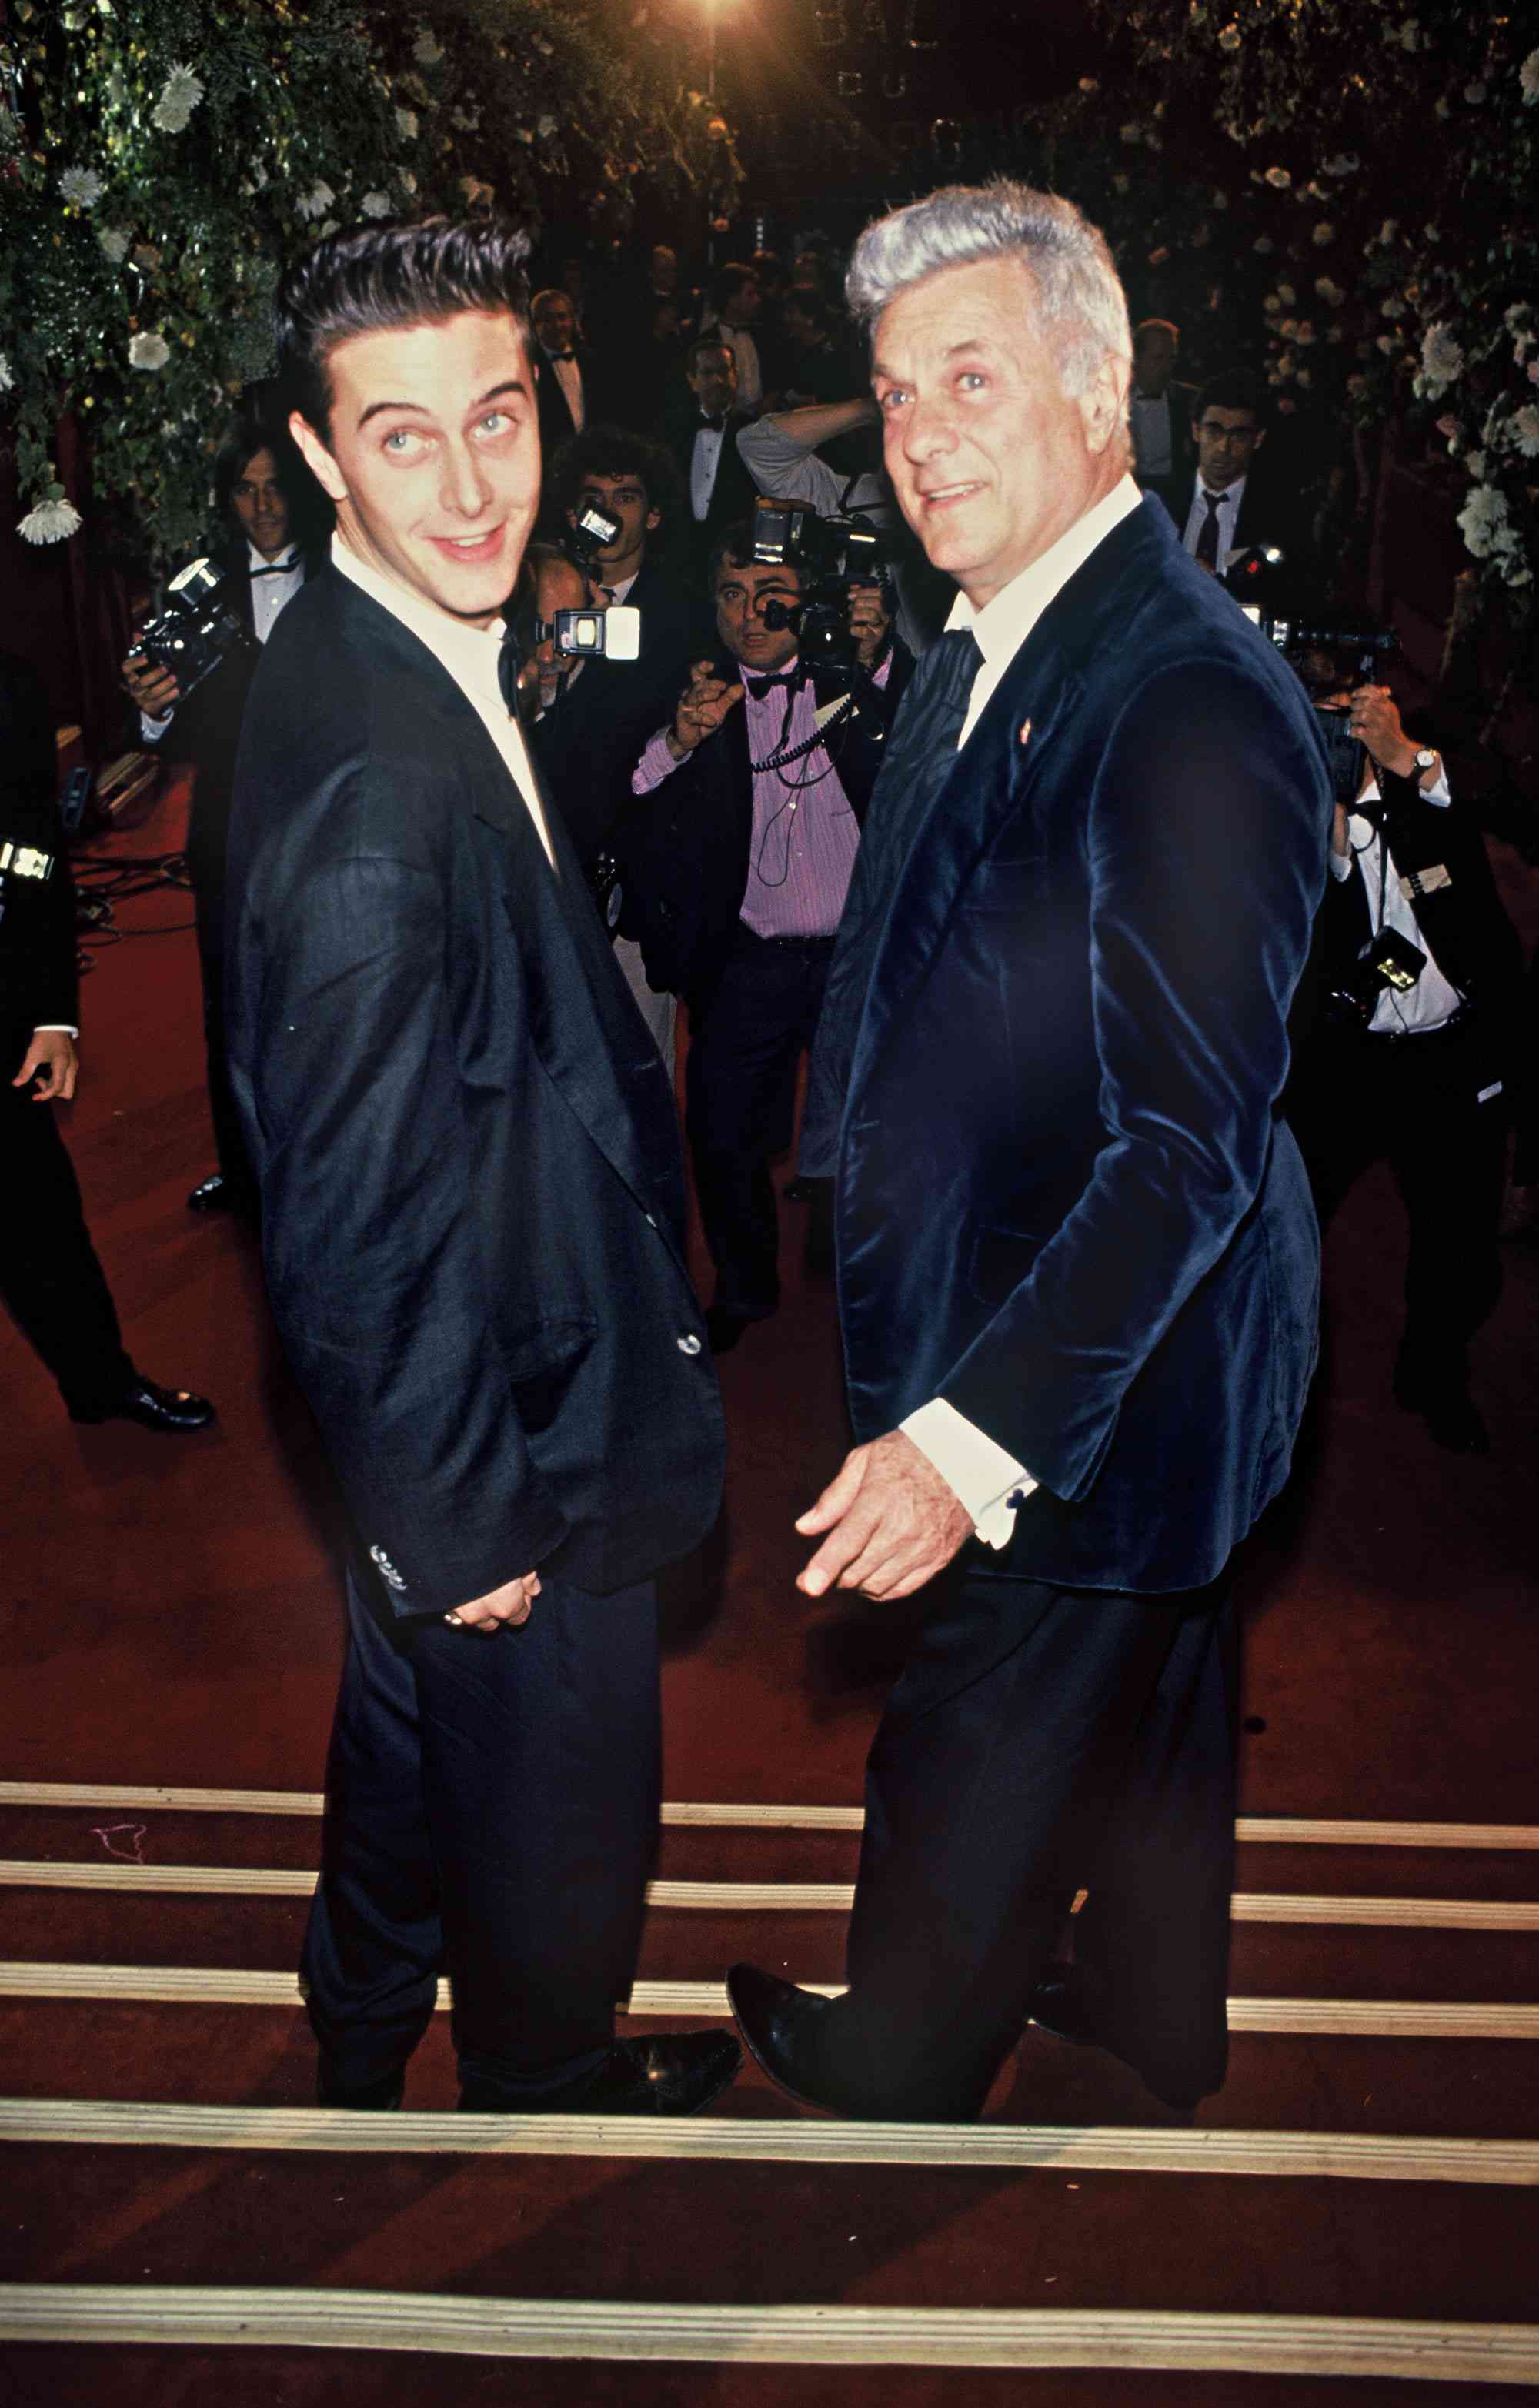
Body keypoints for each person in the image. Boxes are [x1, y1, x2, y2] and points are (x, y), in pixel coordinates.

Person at [725, 180, 1330, 2122]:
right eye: (893, 394)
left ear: (1099, 388)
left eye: (966, 378)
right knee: (1150, 1700)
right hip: (1137, 1345)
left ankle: (895, 2056)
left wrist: (951, 1447)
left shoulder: (1175, 702)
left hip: (1081, 1366)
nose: (914, 438)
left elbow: (1177, 1150)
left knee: (972, 1725)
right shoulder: (996, 624)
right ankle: (1153, 2001)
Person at [225, 216, 735, 2117]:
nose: (469, 484)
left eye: (497, 419)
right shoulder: (370, 778)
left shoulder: (394, 646)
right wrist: (462, 1524)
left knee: (410, 1736)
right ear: (313, 448)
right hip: (501, 1426)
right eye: (403, 435)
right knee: (564, 1797)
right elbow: (350, 1200)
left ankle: (362, 2023)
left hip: (445, 1408)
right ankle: (540, 2068)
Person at [617, 524, 909, 1353]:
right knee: (716, 1130)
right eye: (732, 594)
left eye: (770, 592)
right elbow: (629, 803)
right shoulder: (693, 689)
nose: (751, 614)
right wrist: (680, 741)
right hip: (749, 958)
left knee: (872, 1132)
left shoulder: (853, 674)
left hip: (859, 959)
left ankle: (870, 1284)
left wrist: (875, 652)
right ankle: (745, 1287)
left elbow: (923, 740)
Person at [1287, 679, 1522, 1454]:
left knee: (1457, 1246)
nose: (1336, 741)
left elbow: (1482, 798)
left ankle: (1432, 1375)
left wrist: (1401, 755)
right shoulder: (1292, 813)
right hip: (1347, 1064)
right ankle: (1275, 1372)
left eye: (1345, 718)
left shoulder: (1427, 796)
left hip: (1449, 1057)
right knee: (1288, 1222)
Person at [120, 403, 327, 1217]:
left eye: (275, 488)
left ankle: (328, 1170)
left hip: (329, 826)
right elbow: (164, 734)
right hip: (229, 833)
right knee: (230, 1008)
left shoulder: (346, 575)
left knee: (328, 1003)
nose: (263, 507)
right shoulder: (194, 585)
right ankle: (245, 1174)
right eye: (245, 491)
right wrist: (152, 707)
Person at [0, 652, 215, 1434]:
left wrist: (53, 1015)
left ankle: (98, 1384)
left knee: (39, 1228)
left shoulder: (9, 681)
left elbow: (31, 851)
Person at [656, 338, 762, 606]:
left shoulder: (754, 433)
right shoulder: (668, 431)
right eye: (707, 373)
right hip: (679, 559)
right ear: (692, 380)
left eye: (724, 371)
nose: (717, 380)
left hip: (734, 558)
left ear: (735, 377)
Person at [1170, 370, 1284, 573]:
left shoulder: (1280, 515)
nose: (1224, 447)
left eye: (1238, 436)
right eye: (1214, 432)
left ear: (1257, 439)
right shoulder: (1158, 501)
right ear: (1196, 431)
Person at [1127, 317, 1198, 518]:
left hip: (1174, 497)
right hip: (1130, 496)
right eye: (1158, 359)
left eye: (1171, 359)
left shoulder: (1189, 400)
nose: (1167, 367)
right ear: (1136, 359)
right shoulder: (1116, 402)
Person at [698, 261, 765, 412]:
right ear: (733, 300)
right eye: (750, 294)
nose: (757, 299)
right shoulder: (707, 342)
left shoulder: (763, 336)